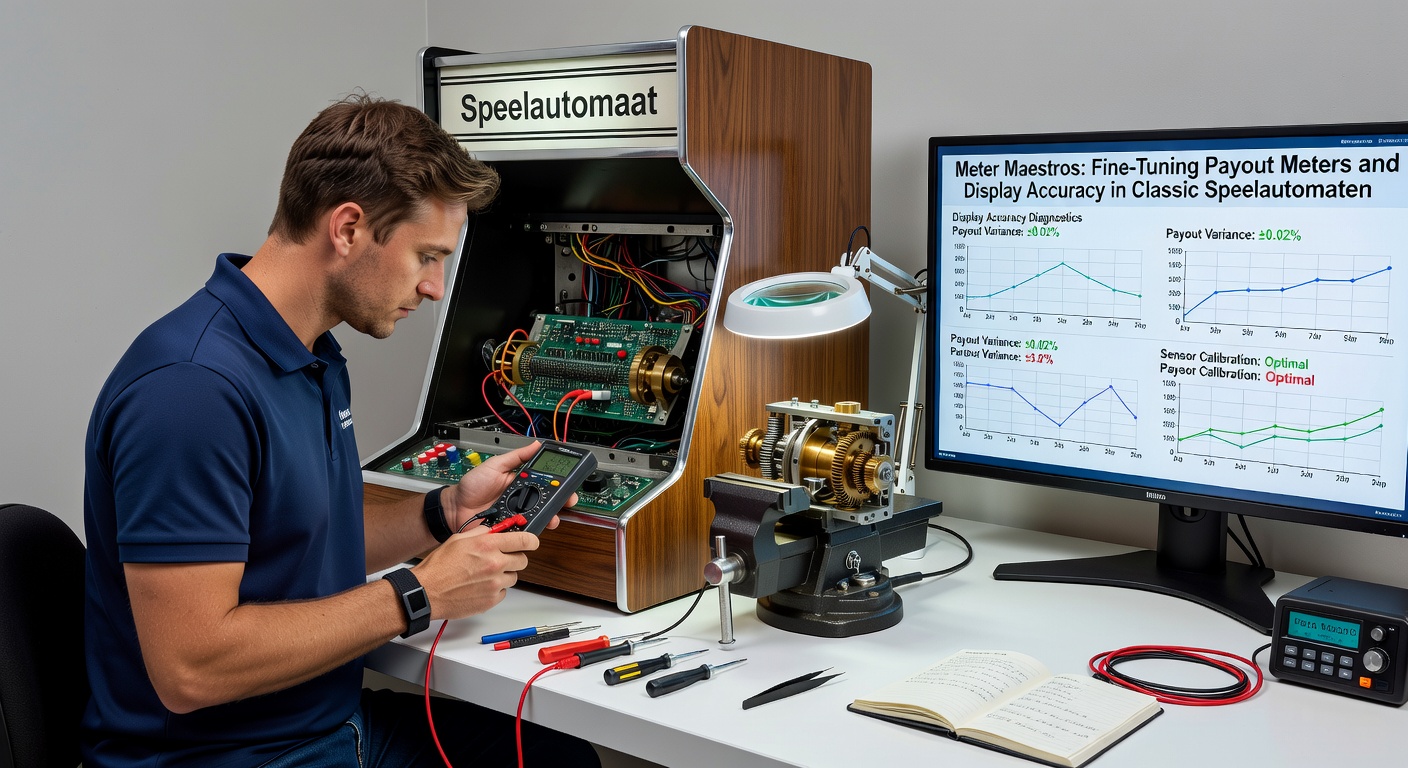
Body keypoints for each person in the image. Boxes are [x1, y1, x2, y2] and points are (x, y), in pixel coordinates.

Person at [81, 94, 602, 767]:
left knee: (558, 758)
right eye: (427, 256)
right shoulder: (191, 391)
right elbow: (191, 669)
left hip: (324, 725)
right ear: (349, 228)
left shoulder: (311, 350)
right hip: (228, 757)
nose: (437, 287)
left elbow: (302, 528)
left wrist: (444, 512)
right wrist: (419, 594)